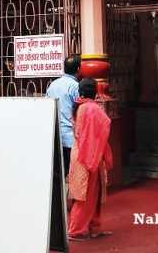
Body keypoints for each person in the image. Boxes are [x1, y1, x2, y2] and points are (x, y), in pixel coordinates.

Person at [67, 78, 113, 241]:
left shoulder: (79, 106)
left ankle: (92, 226)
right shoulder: (92, 108)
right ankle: (76, 230)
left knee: (92, 192)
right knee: (85, 194)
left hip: (81, 152)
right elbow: (105, 123)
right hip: (89, 154)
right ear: (94, 91)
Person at [45, 56, 81, 176]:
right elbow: (79, 108)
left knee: (58, 173)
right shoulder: (75, 86)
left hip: (55, 134)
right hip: (71, 136)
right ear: (78, 69)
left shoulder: (53, 85)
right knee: (72, 173)